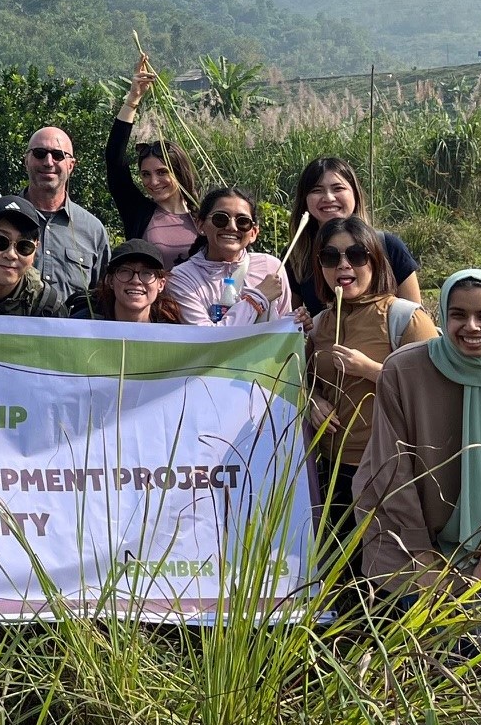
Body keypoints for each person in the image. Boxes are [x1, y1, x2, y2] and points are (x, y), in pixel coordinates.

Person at [355, 269, 481, 601]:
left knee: (479, 645)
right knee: (412, 647)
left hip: (479, 548)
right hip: (402, 540)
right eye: (458, 315)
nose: (472, 327)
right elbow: (392, 468)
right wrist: (423, 557)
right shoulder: (404, 368)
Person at [305, 217, 438, 534]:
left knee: (389, 576)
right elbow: (306, 381)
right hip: (333, 472)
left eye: (357, 255)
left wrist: (370, 369)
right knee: (342, 575)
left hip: (392, 472)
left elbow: (436, 393)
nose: (343, 265)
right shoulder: (320, 323)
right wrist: (313, 400)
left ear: (376, 261)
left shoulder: (406, 317)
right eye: (330, 257)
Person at [287, 158, 420, 316]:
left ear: (355, 194)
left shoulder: (388, 246)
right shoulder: (296, 256)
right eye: (317, 190)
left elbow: (415, 318)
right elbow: (290, 323)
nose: (329, 198)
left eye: (338, 188)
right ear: (305, 199)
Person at [107, 60, 200, 265]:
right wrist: (133, 99)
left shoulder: (203, 216)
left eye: (162, 172)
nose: (153, 181)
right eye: (145, 174)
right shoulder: (139, 212)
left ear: (179, 171)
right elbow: (115, 161)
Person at [168, 188, 292, 326]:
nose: (232, 227)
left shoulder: (272, 267)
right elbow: (206, 339)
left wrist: (297, 321)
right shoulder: (182, 277)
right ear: (200, 224)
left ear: (254, 233)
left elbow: (283, 328)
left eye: (242, 221)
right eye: (220, 218)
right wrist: (257, 299)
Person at [20, 126, 111, 304]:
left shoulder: (94, 230)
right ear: (26, 160)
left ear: (71, 165)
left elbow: (104, 298)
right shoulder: (2, 218)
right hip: (9, 330)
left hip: (72, 330)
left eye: (58, 155)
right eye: (39, 153)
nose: (48, 162)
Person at [78, 240, 185, 323]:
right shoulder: (81, 325)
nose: (136, 280)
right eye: (125, 271)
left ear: (161, 284)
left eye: (147, 273)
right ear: (110, 281)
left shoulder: (172, 334)